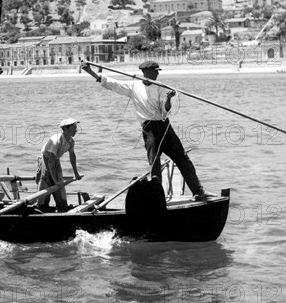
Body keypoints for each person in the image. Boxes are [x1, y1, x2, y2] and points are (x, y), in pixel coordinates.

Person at [81, 61, 212, 200]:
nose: (158, 73)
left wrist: (168, 98)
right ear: (146, 73)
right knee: (154, 164)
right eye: (155, 71)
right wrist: (89, 71)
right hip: (149, 129)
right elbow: (110, 83)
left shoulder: (161, 87)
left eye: (158, 71)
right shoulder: (133, 86)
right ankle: (158, 198)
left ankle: (198, 191)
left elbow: (164, 113)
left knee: (183, 159)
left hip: (164, 127)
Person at [35, 118, 84, 212]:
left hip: (55, 160)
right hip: (45, 160)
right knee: (46, 183)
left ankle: (62, 207)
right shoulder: (56, 140)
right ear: (65, 129)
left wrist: (76, 173)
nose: (75, 130)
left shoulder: (71, 141)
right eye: (73, 128)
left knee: (60, 187)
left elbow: (72, 156)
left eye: (76, 128)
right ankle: (41, 208)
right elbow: (50, 162)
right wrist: (54, 180)